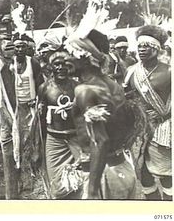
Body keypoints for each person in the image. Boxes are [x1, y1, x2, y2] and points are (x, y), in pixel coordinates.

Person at [65, 28, 139, 199]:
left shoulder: (84, 90)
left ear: (86, 58)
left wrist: (92, 190)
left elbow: (101, 140)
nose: (66, 59)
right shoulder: (113, 85)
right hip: (121, 168)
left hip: (102, 176)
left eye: (71, 54)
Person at [123, 25, 171, 200]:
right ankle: (153, 206)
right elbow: (126, 97)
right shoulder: (131, 72)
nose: (142, 49)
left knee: (166, 174)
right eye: (140, 46)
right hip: (139, 130)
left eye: (147, 46)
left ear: (157, 49)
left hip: (163, 128)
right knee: (142, 171)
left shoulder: (168, 71)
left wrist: (164, 115)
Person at [0, 32, 43, 199]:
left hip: (30, 109)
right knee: (14, 145)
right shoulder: (7, 67)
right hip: (13, 111)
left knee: (30, 145)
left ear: (27, 48)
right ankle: (15, 187)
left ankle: (30, 184)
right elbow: (3, 92)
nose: (19, 49)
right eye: (16, 47)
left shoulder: (34, 63)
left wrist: (37, 100)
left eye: (22, 46)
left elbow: (40, 85)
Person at [37, 46, 81, 199]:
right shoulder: (44, 88)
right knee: (57, 185)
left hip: (76, 139)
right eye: (57, 64)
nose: (61, 67)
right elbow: (41, 120)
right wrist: (39, 147)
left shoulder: (78, 87)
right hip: (54, 142)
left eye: (65, 64)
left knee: (80, 181)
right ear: (51, 67)